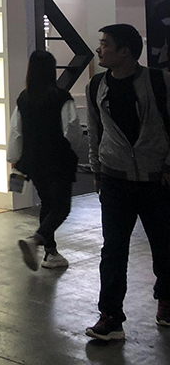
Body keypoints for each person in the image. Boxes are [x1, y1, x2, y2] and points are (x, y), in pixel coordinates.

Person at [84, 23, 170, 341]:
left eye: (105, 44)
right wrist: (97, 171)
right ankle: (110, 317)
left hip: (156, 179)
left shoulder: (159, 82)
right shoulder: (96, 86)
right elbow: (95, 131)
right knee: (113, 250)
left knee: (164, 246)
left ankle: (166, 299)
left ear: (125, 51)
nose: (99, 49)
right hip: (115, 179)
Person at [8, 50, 80, 272]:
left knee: (47, 204)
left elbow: (16, 131)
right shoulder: (61, 97)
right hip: (58, 162)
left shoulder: (24, 98)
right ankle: (36, 240)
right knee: (61, 207)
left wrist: (14, 159)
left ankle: (51, 252)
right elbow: (72, 130)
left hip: (34, 163)